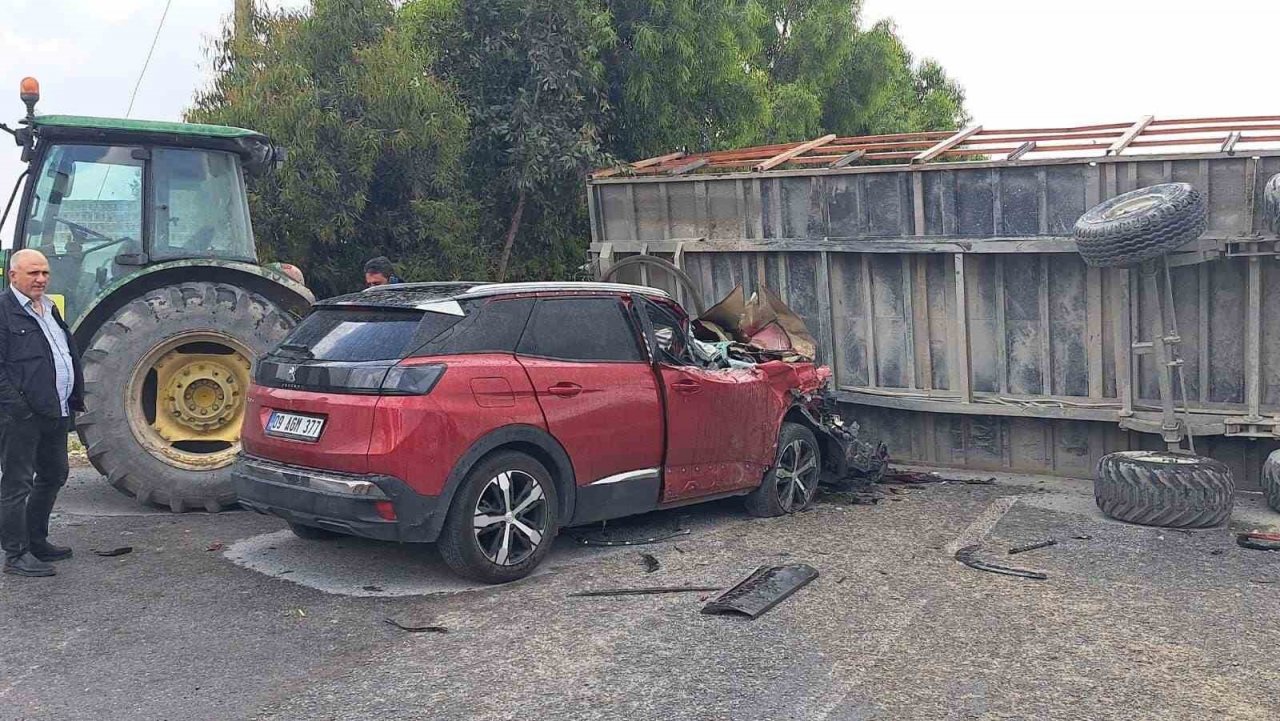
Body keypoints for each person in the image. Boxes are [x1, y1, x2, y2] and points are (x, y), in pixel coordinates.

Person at [0, 249, 84, 578]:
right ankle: (16, 554)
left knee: (54, 475)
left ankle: (36, 539)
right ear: (13, 275)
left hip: (55, 410)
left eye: (45, 273)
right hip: (21, 416)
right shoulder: (4, 311)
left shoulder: (48, 308)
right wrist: (17, 407)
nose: (41, 279)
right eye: (33, 273)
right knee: (17, 483)